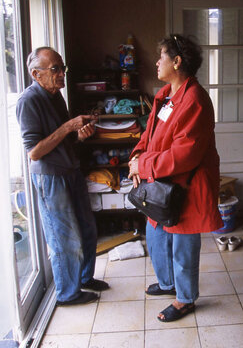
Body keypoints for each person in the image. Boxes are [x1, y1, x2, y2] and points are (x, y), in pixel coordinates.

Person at [128, 34, 222, 322]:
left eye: (162, 57)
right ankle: (168, 284)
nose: (157, 62)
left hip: (186, 186)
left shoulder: (194, 100)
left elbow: (184, 156)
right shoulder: (167, 94)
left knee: (182, 245)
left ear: (177, 61)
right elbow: (150, 133)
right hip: (160, 182)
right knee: (157, 237)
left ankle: (185, 299)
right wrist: (136, 157)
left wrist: (143, 166)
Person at [16, 46, 109, 306]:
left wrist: (79, 135)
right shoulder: (28, 101)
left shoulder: (56, 96)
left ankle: (84, 278)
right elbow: (34, 152)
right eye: (55, 69)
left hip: (71, 170)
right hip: (51, 177)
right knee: (64, 237)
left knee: (88, 228)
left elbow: (64, 140)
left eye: (61, 68)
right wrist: (69, 126)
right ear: (37, 74)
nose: (61, 74)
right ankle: (68, 293)